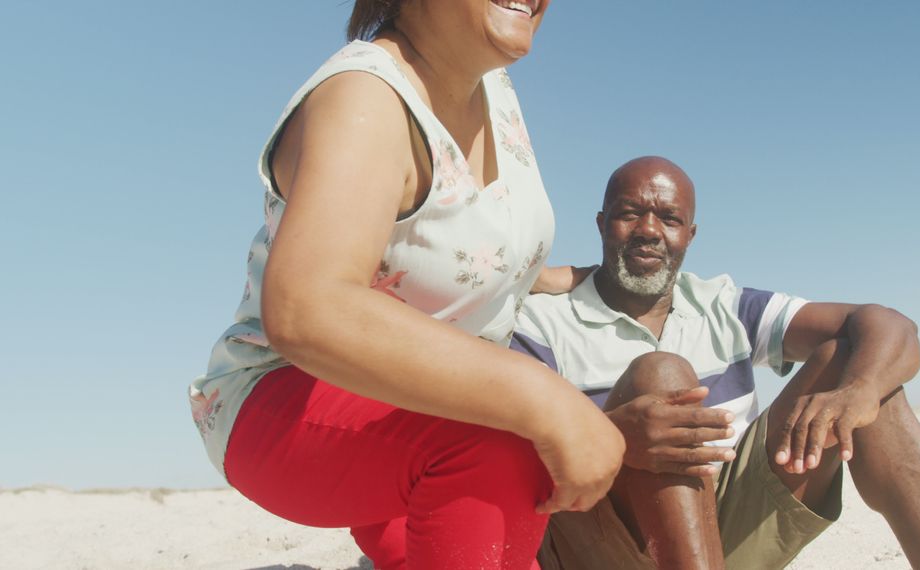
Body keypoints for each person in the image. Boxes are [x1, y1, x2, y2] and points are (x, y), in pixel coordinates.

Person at [187, 2, 625, 569]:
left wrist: (547, 277)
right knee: (507, 438)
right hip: (288, 402)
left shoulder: (493, 88)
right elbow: (308, 308)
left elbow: (447, 242)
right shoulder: (364, 100)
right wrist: (542, 396)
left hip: (414, 409)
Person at [512, 156, 920, 569]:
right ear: (601, 223)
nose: (649, 230)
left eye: (669, 218)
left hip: (726, 530)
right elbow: (506, 453)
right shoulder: (544, 322)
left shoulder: (723, 305)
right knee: (661, 374)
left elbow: (889, 326)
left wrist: (861, 391)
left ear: (689, 236)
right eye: (630, 213)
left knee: (861, 362)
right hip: (603, 542)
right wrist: (613, 438)